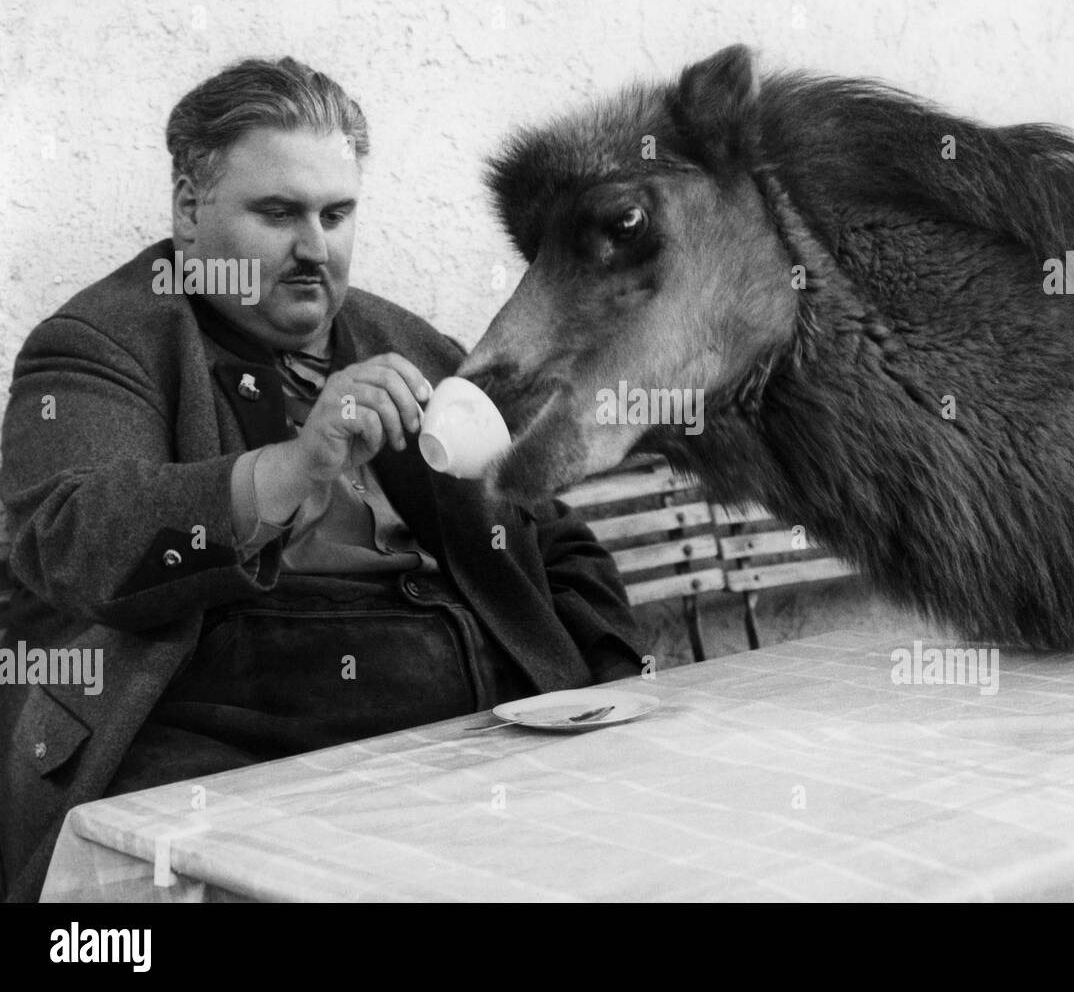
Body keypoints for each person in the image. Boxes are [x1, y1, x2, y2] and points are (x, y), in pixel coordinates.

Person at [0, 57, 644, 902]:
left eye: (337, 213)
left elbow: (545, 527)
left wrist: (613, 668)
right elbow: (73, 542)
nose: (315, 248)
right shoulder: (102, 342)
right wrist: (290, 467)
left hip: (479, 737)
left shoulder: (402, 336)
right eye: (278, 213)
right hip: (230, 759)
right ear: (189, 210)